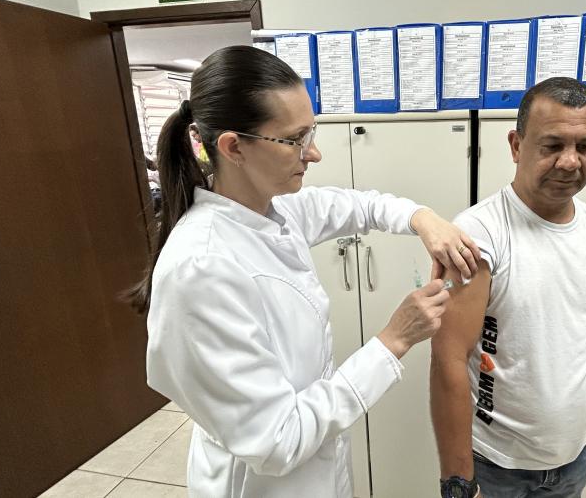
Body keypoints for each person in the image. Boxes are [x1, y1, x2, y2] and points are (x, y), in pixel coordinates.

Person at [126, 46, 481, 497]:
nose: (313, 154)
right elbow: (277, 440)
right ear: (234, 147)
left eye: (310, 133)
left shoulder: (271, 209)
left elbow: (356, 205)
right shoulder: (202, 269)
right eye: (294, 140)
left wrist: (422, 218)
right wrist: (394, 340)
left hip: (315, 472)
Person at [430, 77, 586, 498]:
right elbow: (448, 358)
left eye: (584, 146)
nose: (570, 161)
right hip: (496, 467)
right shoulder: (480, 233)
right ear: (516, 145)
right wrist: (457, 479)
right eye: (552, 146)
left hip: (573, 460)